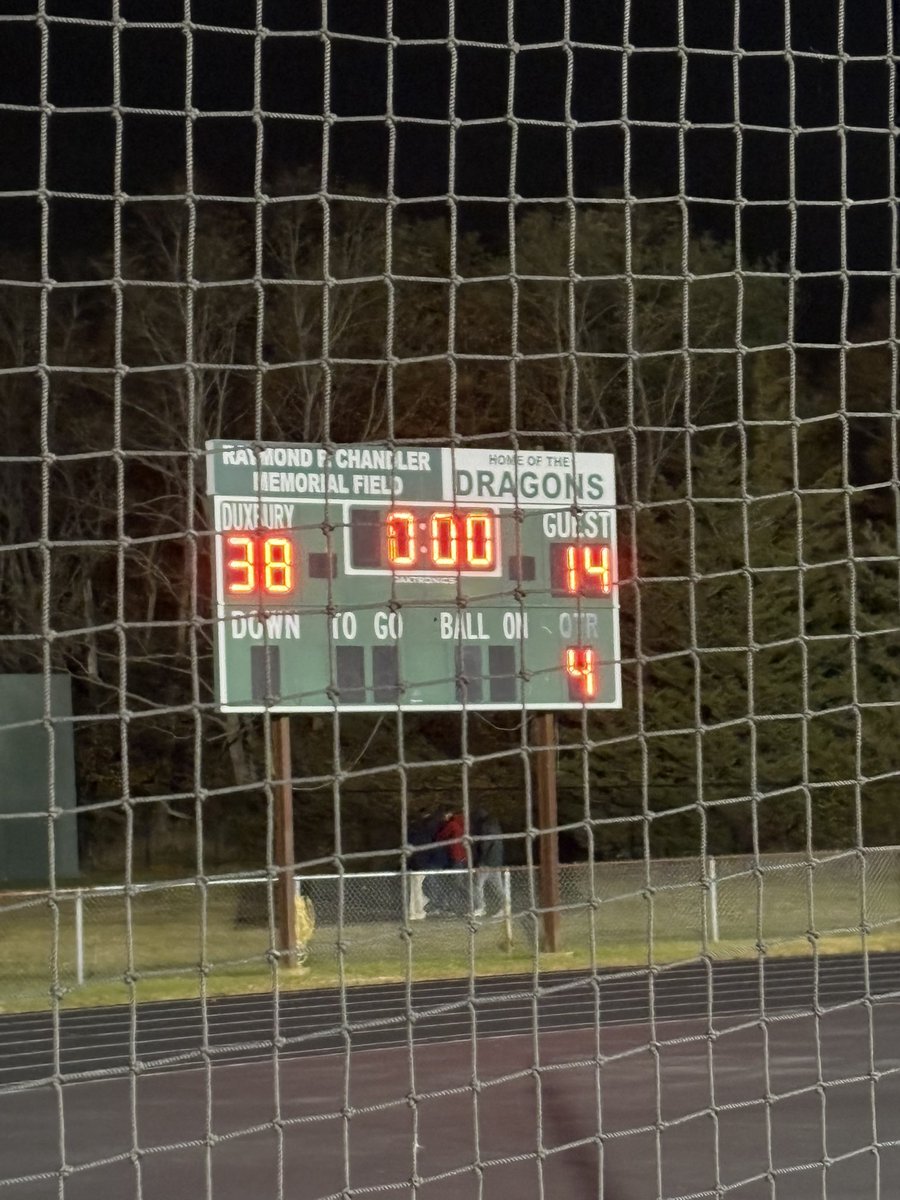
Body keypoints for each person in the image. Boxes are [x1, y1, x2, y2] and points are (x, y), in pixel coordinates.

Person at [472, 807, 504, 917]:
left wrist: (481, 860)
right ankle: (505, 907)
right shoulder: (496, 825)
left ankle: (481, 907)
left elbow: (485, 844)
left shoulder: (485, 826)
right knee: (498, 886)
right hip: (496, 860)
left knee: (478, 885)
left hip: (487, 861)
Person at [435, 808, 466, 914]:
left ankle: (465, 903)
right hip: (462, 857)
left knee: (456, 882)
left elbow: (442, 836)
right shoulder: (461, 824)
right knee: (455, 882)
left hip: (455, 856)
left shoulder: (452, 825)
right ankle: (451, 904)